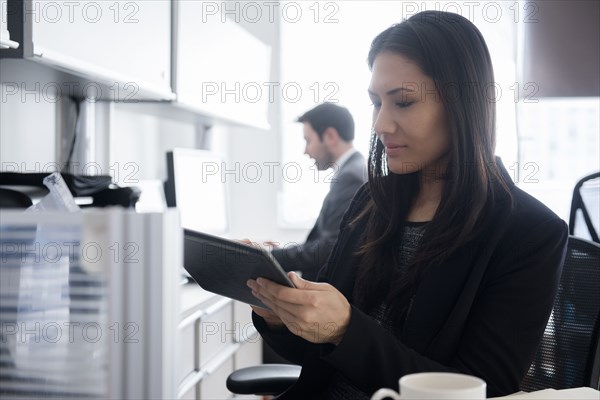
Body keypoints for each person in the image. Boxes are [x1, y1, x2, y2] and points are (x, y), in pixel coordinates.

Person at [246, 10, 568, 399]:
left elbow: (483, 390)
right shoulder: (373, 201)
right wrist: (277, 313)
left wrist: (346, 330)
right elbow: (316, 356)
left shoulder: (530, 233)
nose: (381, 124)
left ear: (461, 104)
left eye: (403, 102)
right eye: (376, 103)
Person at [271, 103, 367, 281]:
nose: (305, 151)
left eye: (308, 140)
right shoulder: (353, 169)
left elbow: (330, 247)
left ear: (330, 136)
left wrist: (271, 256)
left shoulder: (351, 176)